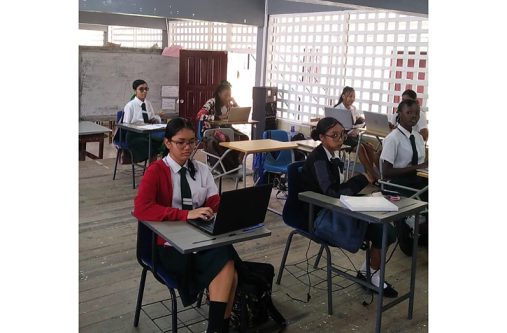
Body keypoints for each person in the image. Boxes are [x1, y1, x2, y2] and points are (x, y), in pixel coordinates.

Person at [133, 118, 239, 333]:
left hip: (200, 238)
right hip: (168, 246)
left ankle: (217, 329)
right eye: (181, 142)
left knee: (227, 262)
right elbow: (142, 209)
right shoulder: (156, 171)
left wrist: (230, 211)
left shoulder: (201, 169)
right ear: (167, 143)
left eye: (192, 142)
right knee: (228, 264)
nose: (188, 147)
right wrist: (184, 214)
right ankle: (219, 328)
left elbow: (213, 202)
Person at [303, 117, 398, 298]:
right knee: (382, 231)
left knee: (384, 227)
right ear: (322, 137)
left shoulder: (332, 153)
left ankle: (369, 272)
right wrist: (363, 178)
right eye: (334, 136)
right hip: (320, 213)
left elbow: (337, 191)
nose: (340, 139)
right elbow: (332, 193)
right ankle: (371, 275)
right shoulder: (319, 160)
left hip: (335, 207)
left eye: (342, 135)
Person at [381, 99, 428, 256]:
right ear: (399, 114)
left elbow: (422, 165)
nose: (413, 116)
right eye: (409, 113)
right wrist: (417, 168)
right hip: (396, 184)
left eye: (416, 113)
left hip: (416, 181)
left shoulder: (418, 137)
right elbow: (386, 172)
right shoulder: (393, 138)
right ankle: (409, 225)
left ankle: (420, 230)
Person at [333, 86, 380, 183]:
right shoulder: (337, 109)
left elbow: (359, 120)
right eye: (350, 96)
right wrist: (348, 131)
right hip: (343, 137)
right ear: (343, 96)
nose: (352, 99)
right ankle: (373, 176)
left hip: (354, 135)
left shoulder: (353, 108)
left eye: (353, 97)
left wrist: (364, 120)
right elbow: (334, 128)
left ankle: (379, 174)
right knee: (361, 148)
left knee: (370, 147)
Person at [122, 79, 164, 162]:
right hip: (134, 136)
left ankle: (159, 169)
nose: (144, 91)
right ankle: (152, 171)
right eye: (141, 89)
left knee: (166, 142)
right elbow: (125, 125)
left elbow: (151, 118)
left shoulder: (148, 103)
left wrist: (157, 118)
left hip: (147, 134)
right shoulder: (130, 106)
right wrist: (139, 127)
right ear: (135, 91)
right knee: (152, 146)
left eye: (146, 89)